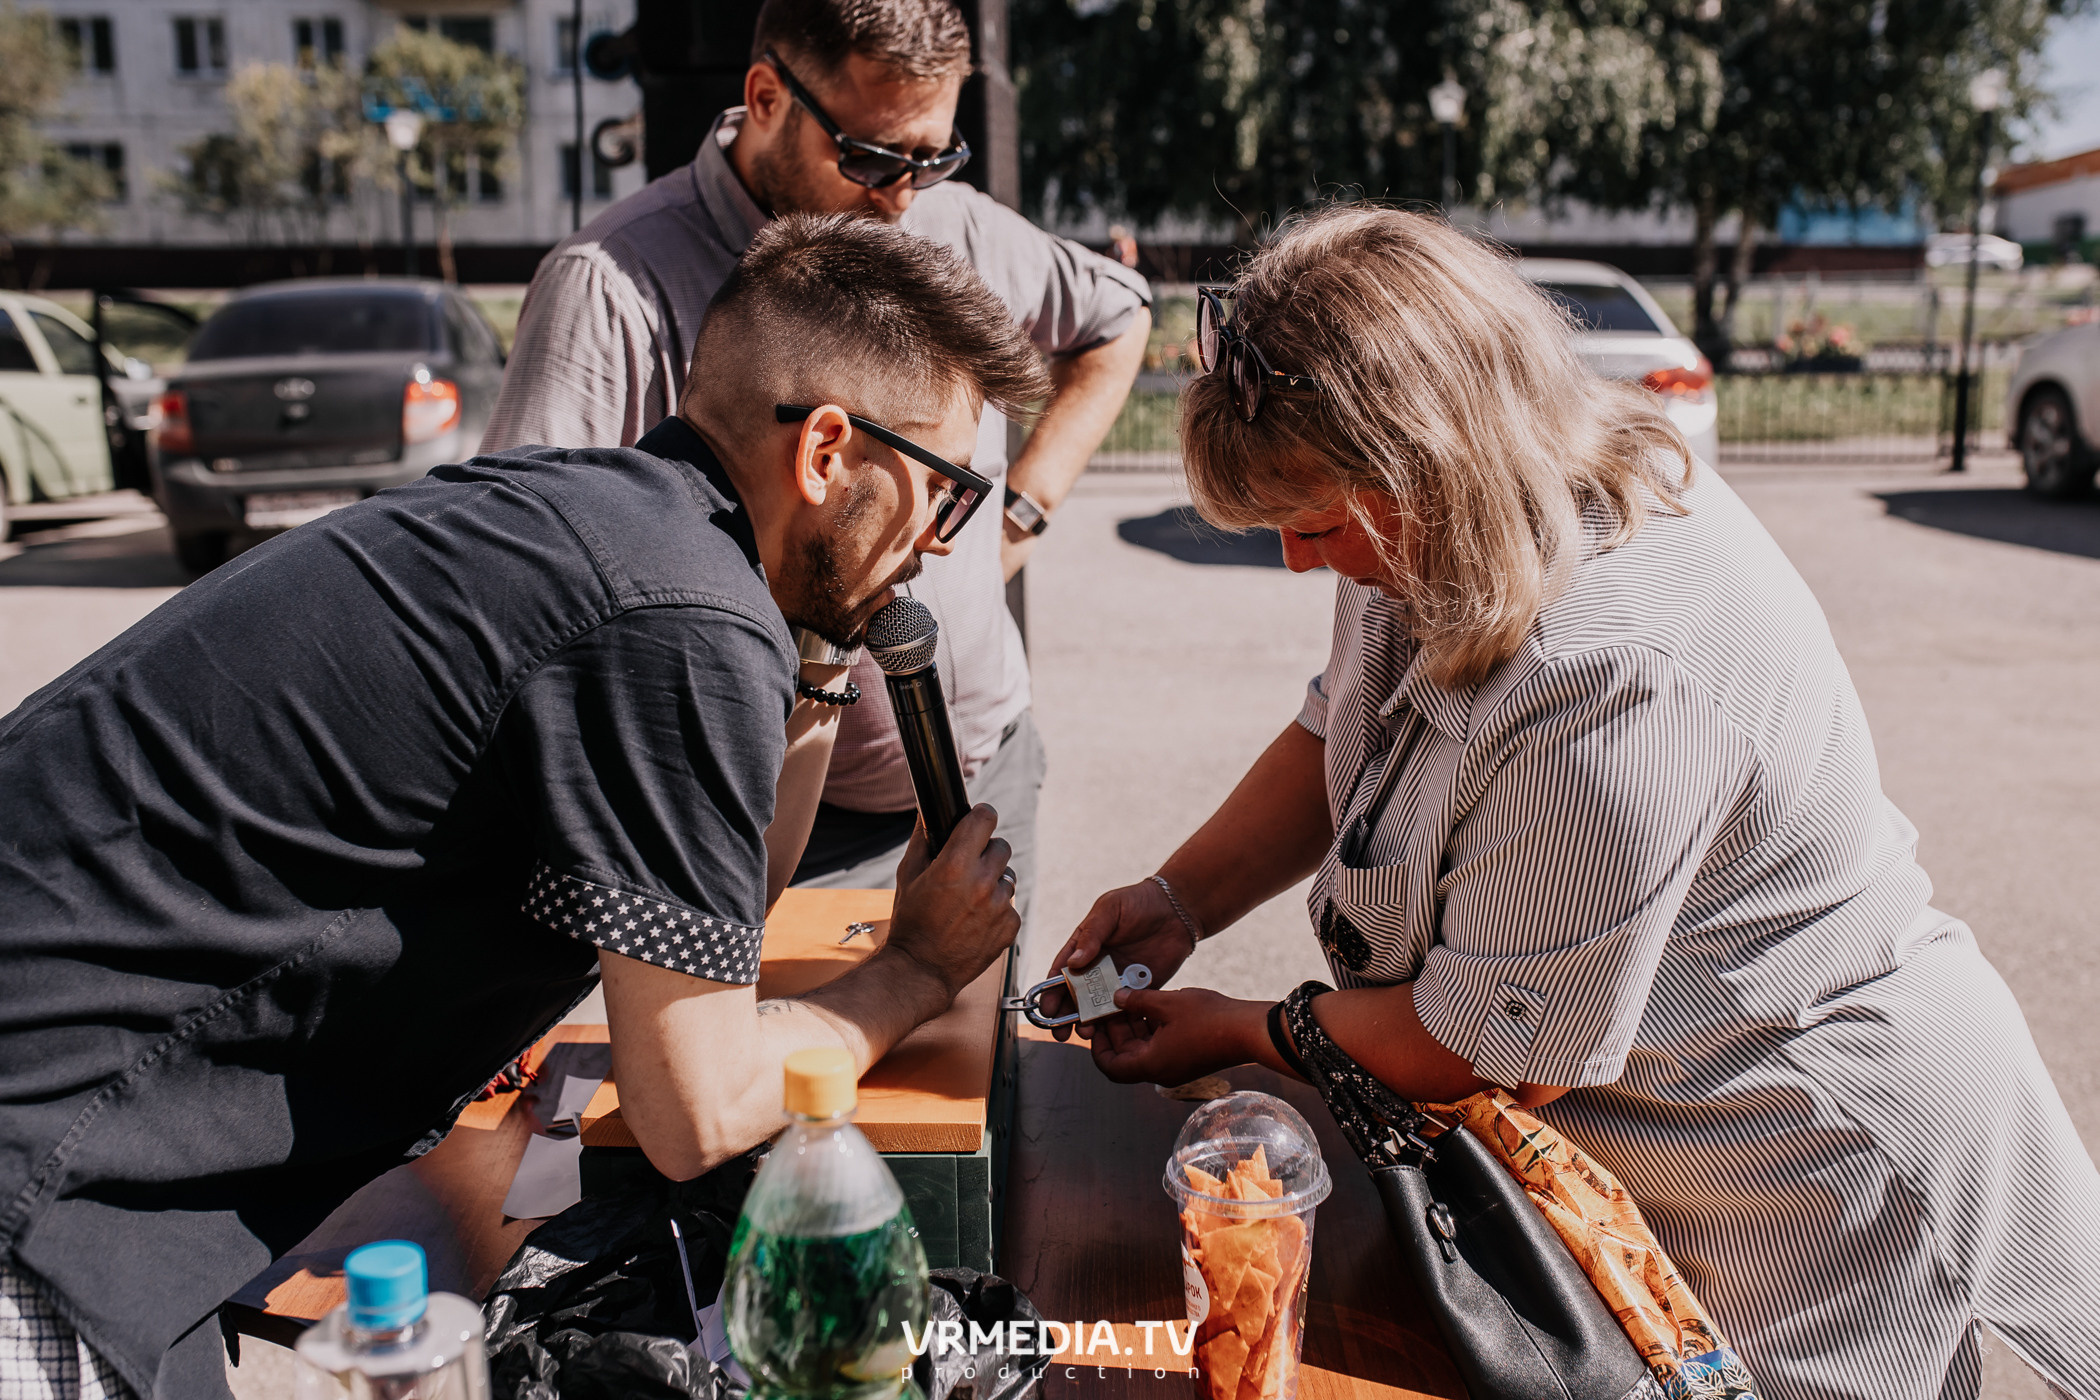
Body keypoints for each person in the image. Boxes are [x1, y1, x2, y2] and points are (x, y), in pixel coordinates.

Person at [1048, 206, 2100, 1400]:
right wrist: (1180, 896)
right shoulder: (1441, 521)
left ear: (1425, 461)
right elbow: (1336, 719)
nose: (1297, 564)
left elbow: (1478, 1041)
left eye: (1313, 527)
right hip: (1670, 1114)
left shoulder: (1608, 667)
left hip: (1805, 1155)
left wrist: (1249, 1030)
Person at [0, 214, 1049, 1400]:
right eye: (947, 492)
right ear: (825, 452)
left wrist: (815, 666)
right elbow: (693, 1108)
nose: (942, 546)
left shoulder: (622, 529)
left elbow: (718, 920)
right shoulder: (680, 616)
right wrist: (913, 966)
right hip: (43, 1179)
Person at [480, 0, 1152, 966]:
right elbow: (523, 590)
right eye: (876, 159)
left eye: (935, 158)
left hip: (991, 762)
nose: (904, 199)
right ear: (765, 97)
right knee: (812, 1104)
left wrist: (1022, 512)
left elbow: (1119, 315)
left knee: (980, 1082)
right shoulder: (611, 284)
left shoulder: (942, 218)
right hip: (789, 821)